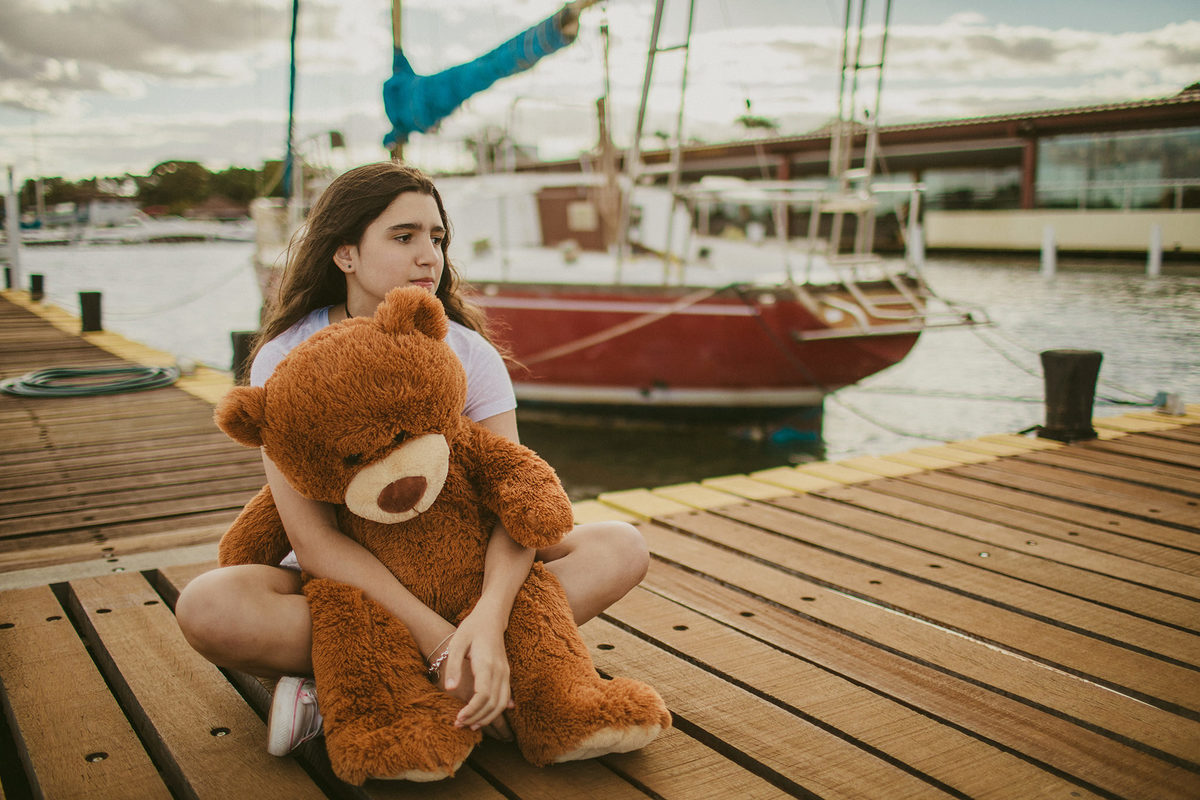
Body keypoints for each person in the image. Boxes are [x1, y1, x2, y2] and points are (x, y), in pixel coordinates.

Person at [175, 161, 649, 755]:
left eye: (438, 237)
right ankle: (467, 677)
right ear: (345, 254)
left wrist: (488, 620)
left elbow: (513, 501)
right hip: (350, 588)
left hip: (463, 572)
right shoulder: (287, 355)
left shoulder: (470, 354)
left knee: (620, 546)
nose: (431, 257)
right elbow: (312, 538)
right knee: (208, 606)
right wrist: (443, 646)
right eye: (404, 237)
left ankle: (361, 686)